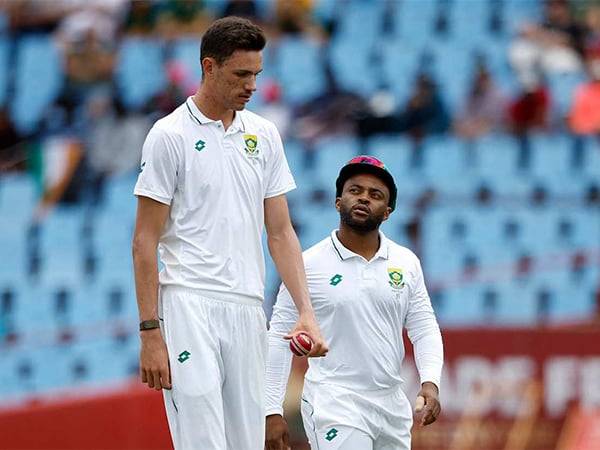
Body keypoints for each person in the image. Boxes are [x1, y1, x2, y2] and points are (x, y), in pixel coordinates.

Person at [131, 16, 327, 450]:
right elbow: (144, 240)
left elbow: (280, 232)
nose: (251, 86)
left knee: (246, 443)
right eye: (241, 74)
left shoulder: (264, 135)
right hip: (187, 304)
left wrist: (306, 311)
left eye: (256, 74)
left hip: (246, 307)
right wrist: (149, 332)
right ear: (209, 67)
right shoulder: (168, 136)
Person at [265, 155, 444, 450]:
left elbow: (424, 328)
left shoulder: (406, 262)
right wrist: (271, 410)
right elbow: (279, 336)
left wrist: (430, 383)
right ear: (338, 202)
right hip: (334, 400)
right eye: (355, 190)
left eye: (375, 195)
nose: (363, 199)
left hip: (391, 404)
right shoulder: (305, 265)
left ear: (387, 212)